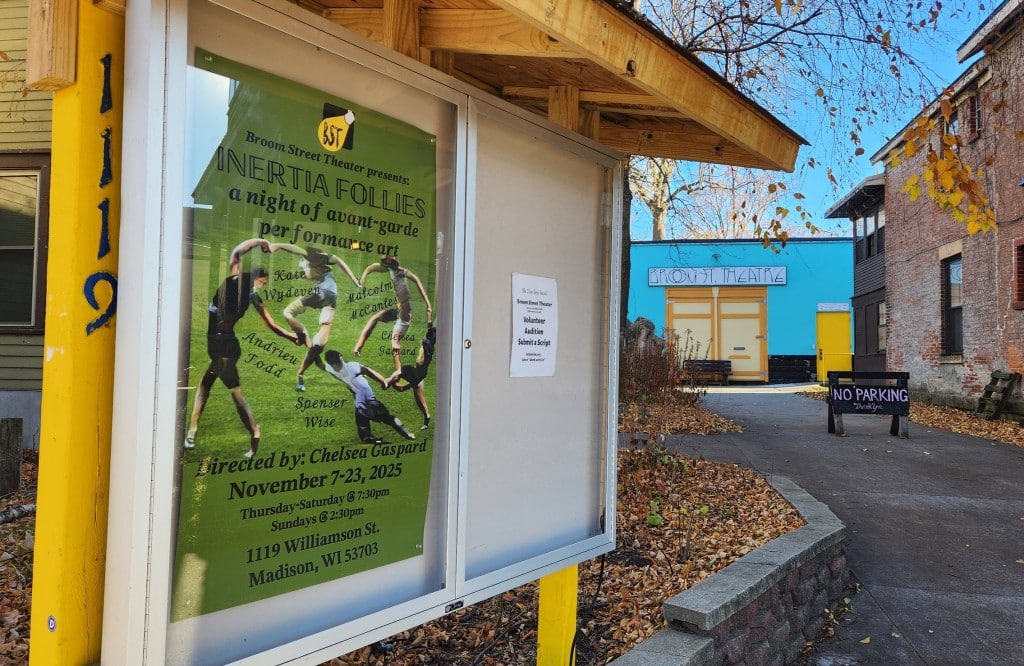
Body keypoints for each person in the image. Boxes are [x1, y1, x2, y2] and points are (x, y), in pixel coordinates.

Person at [184, 239, 300, 458]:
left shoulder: (236, 279)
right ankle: (200, 431)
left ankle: (201, 432)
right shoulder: (249, 293)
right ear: (257, 278)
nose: (262, 287)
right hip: (220, 343)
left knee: (216, 388)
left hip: (224, 346)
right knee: (218, 388)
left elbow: (238, 251)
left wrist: (259, 243)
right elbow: (271, 325)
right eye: (263, 283)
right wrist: (291, 336)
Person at [265, 242, 360, 392]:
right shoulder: (310, 257)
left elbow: (340, 263)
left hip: (324, 295)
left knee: (313, 338)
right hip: (327, 295)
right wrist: (276, 246)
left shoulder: (325, 260)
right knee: (317, 346)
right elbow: (290, 247)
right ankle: (305, 351)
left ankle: (303, 345)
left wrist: (355, 280)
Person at [353, 255, 432, 372]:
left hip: (404, 315)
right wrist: (364, 276)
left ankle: (399, 375)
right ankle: (359, 346)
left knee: (395, 345)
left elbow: (417, 281)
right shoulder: (389, 269)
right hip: (399, 311)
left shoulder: (402, 272)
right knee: (375, 318)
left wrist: (428, 304)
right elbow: (372, 267)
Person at [323, 350, 416, 444]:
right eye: (333, 363)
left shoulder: (352, 367)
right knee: (362, 418)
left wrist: (382, 381)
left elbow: (369, 371)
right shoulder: (329, 368)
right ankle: (369, 438)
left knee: (382, 416)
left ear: (340, 358)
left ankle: (406, 433)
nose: (336, 365)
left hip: (366, 394)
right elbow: (338, 376)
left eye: (337, 362)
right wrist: (350, 385)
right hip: (358, 396)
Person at [384, 325, 435, 430]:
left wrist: (424, 344)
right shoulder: (428, 343)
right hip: (418, 374)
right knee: (418, 398)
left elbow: (425, 348)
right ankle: (427, 416)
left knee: (399, 381)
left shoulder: (428, 345)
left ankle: (387, 381)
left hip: (416, 374)